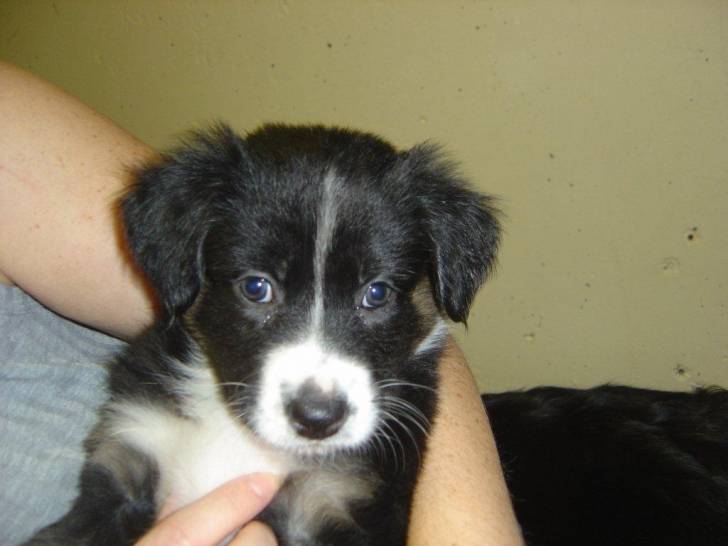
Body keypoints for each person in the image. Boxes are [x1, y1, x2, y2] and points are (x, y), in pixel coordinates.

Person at [0, 61, 524, 546]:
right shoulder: (145, 405)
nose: (318, 400)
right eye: (257, 289)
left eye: (376, 294)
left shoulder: (386, 451)